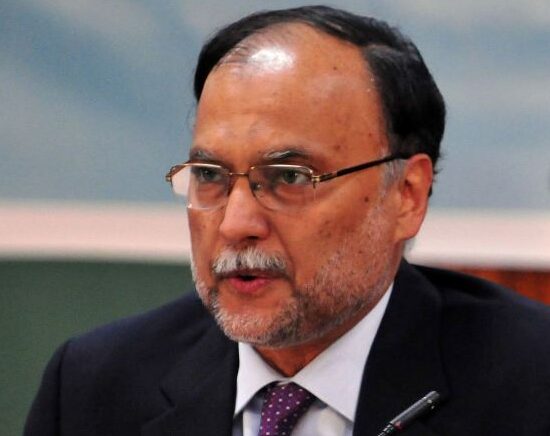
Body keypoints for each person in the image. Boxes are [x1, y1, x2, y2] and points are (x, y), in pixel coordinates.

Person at [25, 5, 550, 436]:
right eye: (209, 175)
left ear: (406, 197)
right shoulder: (93, 387)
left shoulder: (532, 384)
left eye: (290, 177)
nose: (234, 224)